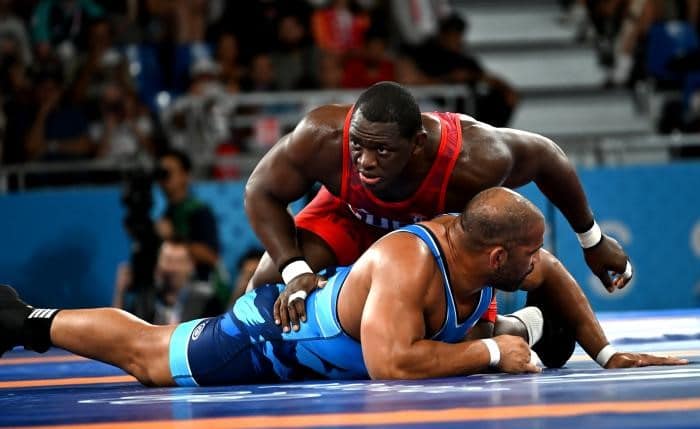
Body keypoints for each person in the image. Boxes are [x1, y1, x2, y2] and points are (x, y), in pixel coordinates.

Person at [0, 188, 685, 386]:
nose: (540, 262)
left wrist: (605, 352)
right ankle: (26, 319)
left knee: (491, 331)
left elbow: (558, 273)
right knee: (152, 357)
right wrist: (486, 355)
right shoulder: (407, 263)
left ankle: (504, 331)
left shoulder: (499, 252)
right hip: (281, 338)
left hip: (381, 330)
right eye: (529, 254)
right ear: (499, 252)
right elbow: (391, 365)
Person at [244, 81, 634, 332]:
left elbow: (548, 157)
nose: (365, 162)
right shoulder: (323, 138)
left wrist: (592, 239)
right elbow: (259, 191)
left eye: (382, 150)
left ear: (417, 145)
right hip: (350, 214)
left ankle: (521, 327)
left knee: (456, 336)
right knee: (263, 291)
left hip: (427, 238)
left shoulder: (474, 158)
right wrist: (295, 270)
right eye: (358, 146)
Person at [156, 148, 221, 283]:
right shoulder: (166, 214)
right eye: (160, 173)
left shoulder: (199, 211)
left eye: (168, 173)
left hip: (200, 284)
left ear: (185, 175)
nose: (163, 179)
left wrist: (172, 238)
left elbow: (211, 256)